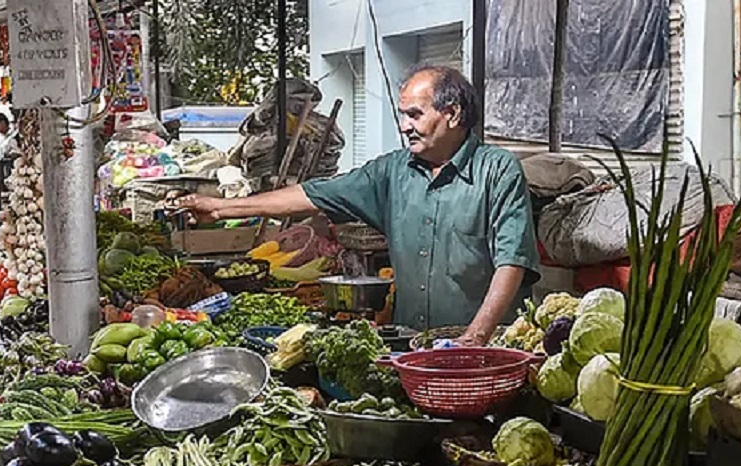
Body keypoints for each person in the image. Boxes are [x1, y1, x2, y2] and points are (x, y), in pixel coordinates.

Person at [179, 66, 539, 343]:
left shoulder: (497, 170)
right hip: (412, 347)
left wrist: (474, 338)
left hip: (487, 352)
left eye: (415, 115)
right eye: (403, 115)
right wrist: (221, 208)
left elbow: (512, 262)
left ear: (453, 114)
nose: (405, 126)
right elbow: (314, 193)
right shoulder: (392, 172)